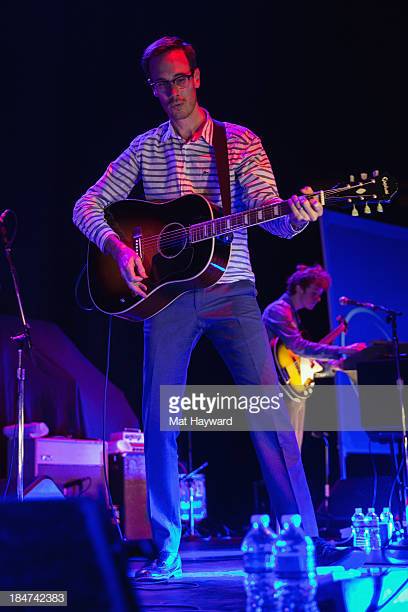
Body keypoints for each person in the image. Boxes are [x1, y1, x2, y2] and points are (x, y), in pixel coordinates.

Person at [73, 36, 348, 579]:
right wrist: (120, 247)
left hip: (233, 291)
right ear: (151, 88)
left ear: (197, 78)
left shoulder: (240, 143)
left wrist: (298, 214)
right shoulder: (144, 149)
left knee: (270, 415)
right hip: (167, 297)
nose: (172, 90)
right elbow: (86, 204)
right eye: (161, 82)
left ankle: (305, 543)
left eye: (180, 79)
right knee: (159, 419)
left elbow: (272, 215)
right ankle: (166, 553)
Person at [262, 264, 366, 448]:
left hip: (289, 391)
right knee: (287, 452)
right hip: (277, 391)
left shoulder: (292, 315)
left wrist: (335, 365)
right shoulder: (278, 311)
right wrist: (344, 349)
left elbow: (300, 362)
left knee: (292, 452)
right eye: (315, 292)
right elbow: (300, 348)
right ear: (299, 288)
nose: (318, 299)